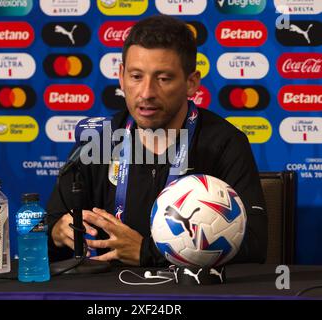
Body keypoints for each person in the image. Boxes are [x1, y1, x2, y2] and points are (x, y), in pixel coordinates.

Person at [46, 15, 267, 267]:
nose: (147, 92)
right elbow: (47, 229)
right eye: (136, 76)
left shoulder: (225, 143)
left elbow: (254, 245)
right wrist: (56, 233)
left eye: (163, 79)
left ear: (191, 82)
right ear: (121, 76)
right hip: (107, 294)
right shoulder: (97, 140)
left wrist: (145, 252)